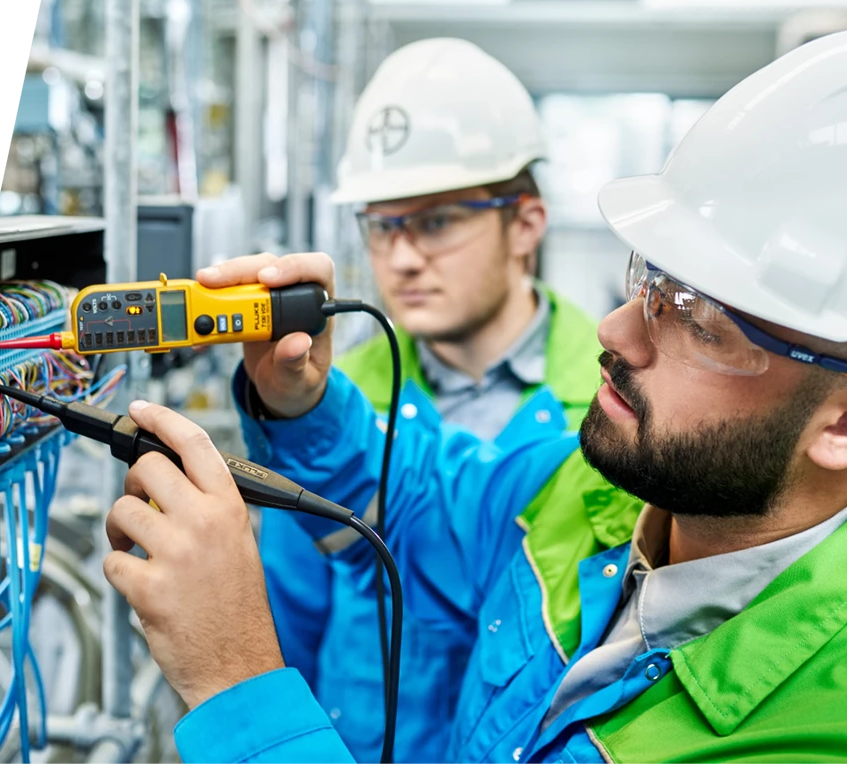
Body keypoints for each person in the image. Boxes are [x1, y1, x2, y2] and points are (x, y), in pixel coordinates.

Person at [103, 26, 847, 763]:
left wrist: (240, 686)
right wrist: (300, 399)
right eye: (649, 282)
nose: (615, 334)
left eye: (695, 320)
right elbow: (415, 497)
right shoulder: (603, 486)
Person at [256, 38, 625, 762]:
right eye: (383, 224)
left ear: (525, 224)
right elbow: (287, 623)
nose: (400, 257)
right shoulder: (329, 401)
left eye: (436, 222)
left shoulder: (614, 407)